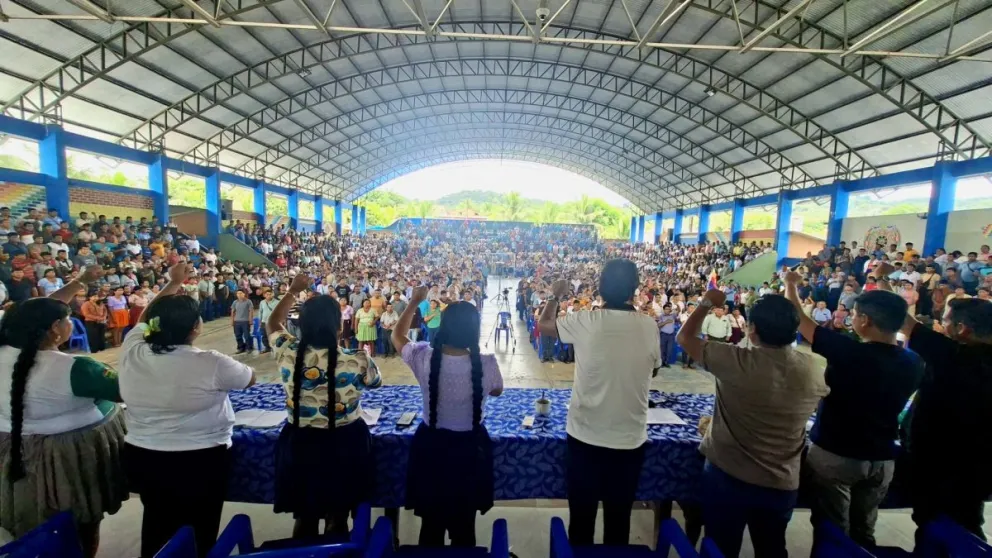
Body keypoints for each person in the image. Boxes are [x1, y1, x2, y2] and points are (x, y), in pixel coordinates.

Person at [677, 289, 828, 558]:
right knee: (771, 547)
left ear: (752, 328)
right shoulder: (813, 368)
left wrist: (706, 303)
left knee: (720, 548)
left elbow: (685, 337)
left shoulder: (736, 360)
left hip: (728, 476)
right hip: (782, 480)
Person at [119, 262, 256, 558]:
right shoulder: (211, 362)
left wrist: (172, 284)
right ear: (196, 328)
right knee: (199, 526)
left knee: (156, 520)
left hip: (142, 453)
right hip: (199, 459)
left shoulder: (134, 349)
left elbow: (144, 318)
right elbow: (249, 379)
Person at [784, 269, 924, 551]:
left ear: (865, 320)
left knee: (831, 529)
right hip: (882, 458)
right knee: (864, 529)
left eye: (856, 314)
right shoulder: (914, 361)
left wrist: (790, 285)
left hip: (838, 455)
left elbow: (801, 319)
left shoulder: (850, 353)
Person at [0, 267, 127, 558]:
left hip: (14, 448)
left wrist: (78, 283)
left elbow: (32, 313)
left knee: (26, 514)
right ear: (56, 329)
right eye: (68, 319)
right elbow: (126, 391)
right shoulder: (76, 368)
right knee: (80, 517)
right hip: (70, 456)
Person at [538, 260, 661, 545]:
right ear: (634, 289)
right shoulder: (648, 326)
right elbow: (653, 369)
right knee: (618, 522)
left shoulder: (585, 320)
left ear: (601, 289)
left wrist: (555, 295)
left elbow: (544, 325)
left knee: (581, 521)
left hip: (585, 436)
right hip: (629, 439)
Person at [267, 273, 381, 538]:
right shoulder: (357, 359)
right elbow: (375, 383)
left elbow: (272, 322)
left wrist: (293, 291)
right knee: (338, 516)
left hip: (300, 442)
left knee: (305, 517)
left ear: (301, 326)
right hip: (345, 444)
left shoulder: (287, 350)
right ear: (339, 328)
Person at [392, 287, 503, 547]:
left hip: (431, 447)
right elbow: (497, 390)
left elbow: (397, 335)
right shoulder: (486, 362)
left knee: (430, 525)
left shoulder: (423, 356)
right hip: (470, 450)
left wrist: (415, 302)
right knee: (465, 526)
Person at [888, 275, 992, 547]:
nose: (940, 325)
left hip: (938, 463)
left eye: (945, 320)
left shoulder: (951, 355)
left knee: (932, 525)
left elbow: (905, 320)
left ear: (962, 329)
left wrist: (883, 280)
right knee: (968, 521)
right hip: (979, 467)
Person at [231, 289, 253, 354]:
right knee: (238, 336)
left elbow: (251, 311)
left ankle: (249, 347)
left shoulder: (248, 302)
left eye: (241, 293)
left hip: (245, 321)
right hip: (237, 321)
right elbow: (233, 312)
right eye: (238, 294)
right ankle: (241, 348)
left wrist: (250, 320)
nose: (239, 295)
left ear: (244, 294)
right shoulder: (235, 302)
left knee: (247, 335)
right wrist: (232, 320)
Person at [257, 289, 279, 354]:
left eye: (270, 294)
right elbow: (260, 312)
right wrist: (260, 321)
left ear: (273, 294)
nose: (269, 296)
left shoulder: (277, 302)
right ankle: (267, 347)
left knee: (274, 336)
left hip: (273, 322)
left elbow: (279, 312)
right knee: (264, 336)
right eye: (267, 294)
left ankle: (276, 348)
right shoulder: (262, 302)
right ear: (264, 295)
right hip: (264, 322)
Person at [657, 302, 676, 368]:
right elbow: (658, 325)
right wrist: (666, 322)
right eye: (666, 309)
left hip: (671, 335)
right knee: (663, 349)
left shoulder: (673, 316)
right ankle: (662, 362)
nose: (667, 310)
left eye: (668, 309)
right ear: (664, 310)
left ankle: (666, 362)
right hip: (663, 335)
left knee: (669, 349)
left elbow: (678, 311)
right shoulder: (661, 316)